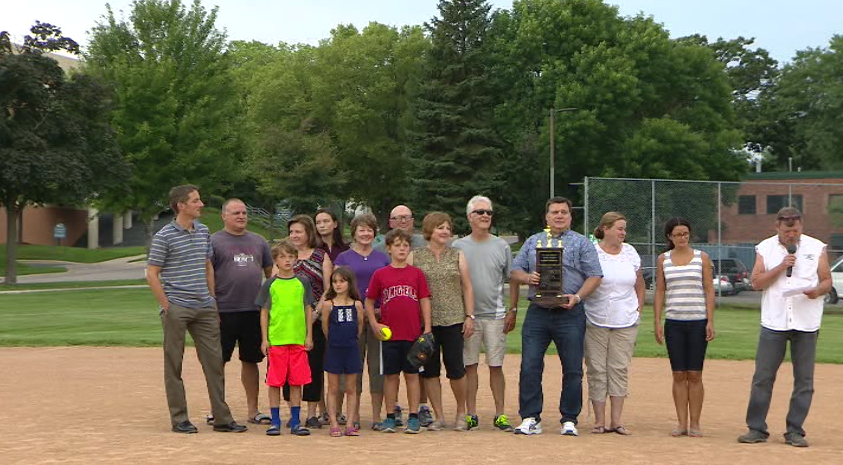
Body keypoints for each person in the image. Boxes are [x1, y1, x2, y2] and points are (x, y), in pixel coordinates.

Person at [146, 184, 247, 434]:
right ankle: (180, 419)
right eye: (195, 200)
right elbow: (152, 273)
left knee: (214, 363)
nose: (201, 204)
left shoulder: (203, 232)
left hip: (204, 307)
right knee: (174, 364)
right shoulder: (164, 236)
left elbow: (207, 266)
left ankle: (222, 419)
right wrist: (167, 306)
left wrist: (212, 300)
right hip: (177, 307)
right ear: (181, 205)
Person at [737, 207, 832, 448]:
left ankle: (795, 431)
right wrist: (781, 266)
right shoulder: (765, 248)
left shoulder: (816, 247)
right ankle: (756, 428)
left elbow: (826, 280)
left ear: (801, 226)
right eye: (788, 230)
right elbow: (756, 282)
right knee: (763, 378)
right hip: (774, 322)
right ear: (777, 227)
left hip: (806, 322)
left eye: (797, 230)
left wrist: (818, 291)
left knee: (804, 381)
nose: (793, 235)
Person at [510, 197, 603, 436]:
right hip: (538, 312)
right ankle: (531, 417)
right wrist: (527, 278)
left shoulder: (582, 243)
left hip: (569, 312)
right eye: (554, 212)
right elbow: (514, 270)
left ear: (570, 216)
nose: (559, 216)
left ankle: (569, 419)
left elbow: (595, 275)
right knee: (530, 365)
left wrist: (578, 297)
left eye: (563, 212)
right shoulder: (534, 241)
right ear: (547, 217)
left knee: (572, 367)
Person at [453, 196, 516, 432]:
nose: (485, 216)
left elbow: (512, 279)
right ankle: (471, 414)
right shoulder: (459, 246)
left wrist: (513, 309)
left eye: (488, 212)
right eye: (480, 212)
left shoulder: (501, 246)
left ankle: (500, 414)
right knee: (469, 365)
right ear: (470, 217)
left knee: (496, 365)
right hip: (469, 315)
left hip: (495, 315)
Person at [209, 198, 273, 426]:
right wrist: (212, 307)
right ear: (224, 216)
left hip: (252, 311)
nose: (241, 216)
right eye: (235, 213)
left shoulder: (259, 241)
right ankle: (217, 408)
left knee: (251, 360)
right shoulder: (214, 241)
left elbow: (270, 275)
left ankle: (253, 410)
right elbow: (208, 277)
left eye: (244, 212)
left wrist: (269, 304)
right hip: (224, 310)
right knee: (218, 361)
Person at [365, 228, 433, 434]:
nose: (402, 249)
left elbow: (424, 300)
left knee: (412, 375)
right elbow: (369, 302)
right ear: (389, 249)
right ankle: (391, 416)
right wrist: (374, 324)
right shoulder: (380, 274)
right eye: (397, 245)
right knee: (391, 376)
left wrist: (427, 328)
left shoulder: (416, 274)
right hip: (390, 334)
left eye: (405, 245)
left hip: (412, 334)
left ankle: (413, 417)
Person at [412, 212, 475, 431]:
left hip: (453, 319)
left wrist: (469, 315)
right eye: (440, 227)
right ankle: (438, 415)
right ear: (429, 230)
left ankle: (461, 413)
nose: (445, 232)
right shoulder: (416, 256)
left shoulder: (457, 254)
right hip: (427, 321)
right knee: (430, 370)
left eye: (448, 228)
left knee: (456, 369)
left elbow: (467, 287)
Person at [583, 212, 645, 435]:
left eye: (624, 229)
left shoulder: (630, 252)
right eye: (619, 228)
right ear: (606, 229)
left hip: (626, 320)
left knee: (618, 368)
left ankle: (616, 421)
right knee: (597, 369)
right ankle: (599, 421)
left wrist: (638, 309)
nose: (623, 233)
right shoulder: (592, 252)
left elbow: (639, 284)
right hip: (595, 318)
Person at [653, 217, 715, 438]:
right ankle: (681, 423)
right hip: (674, 322)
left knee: (695, 374)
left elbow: (709, 289)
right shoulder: (664, 259)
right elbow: (660, 290)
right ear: (670, 236)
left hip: (697, 321)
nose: (682, 238)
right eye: (677, 234)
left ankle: (695, 423)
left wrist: (710, 320)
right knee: (679, 374)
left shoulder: (702, 258)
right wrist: (657, 321)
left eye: (685, 234)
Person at [334, 213, 392, 430]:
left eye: (370, 230)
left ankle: (377, 416)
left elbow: (388, 287)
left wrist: (379, 309)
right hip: (352, 317)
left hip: (378, 318)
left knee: (377, 368)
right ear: (354, 232)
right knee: (353, 367)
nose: (366, 233)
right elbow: (338, 287)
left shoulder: (382, 258)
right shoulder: (344, 258)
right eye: (362, 229)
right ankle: (354, 414)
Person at [256, 240, 315, 436]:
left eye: (291, 256)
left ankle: (296, 421)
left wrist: (309, 335)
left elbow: (308, 309)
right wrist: (265, 339)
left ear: (296, 259)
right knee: (275, 381)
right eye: (282, 257)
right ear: (276, 261)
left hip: (297, 340)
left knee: (297, 382)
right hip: (277, 340)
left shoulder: (302, 282)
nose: (287, 260)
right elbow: (264, 312)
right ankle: (275, 421)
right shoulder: (270, 284)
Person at [282, 214, 333, 429]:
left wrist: (316, 312)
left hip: (315, 319)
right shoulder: (284, 256)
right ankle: (293, 411)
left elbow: (329, 287)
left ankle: (312, 413)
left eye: (299, 231)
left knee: (313, 365)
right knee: (287, 367)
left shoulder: (321, 256)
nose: (294, 235)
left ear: (308, 233)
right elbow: (276, 283)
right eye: (292, 231)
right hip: (289, 321)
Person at [320, 266, 365, 437]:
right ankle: (333, 423)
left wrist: (351, 340)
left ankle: (350, 424)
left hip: (351, 349)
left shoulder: (357, 305)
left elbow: (360, 326)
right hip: (334, 349)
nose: (338, 285)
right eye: (335, 282)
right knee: (333, 388)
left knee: (351, 388)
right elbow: (325, 328)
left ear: (349, 283)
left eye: (342, 281)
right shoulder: (328, 304)